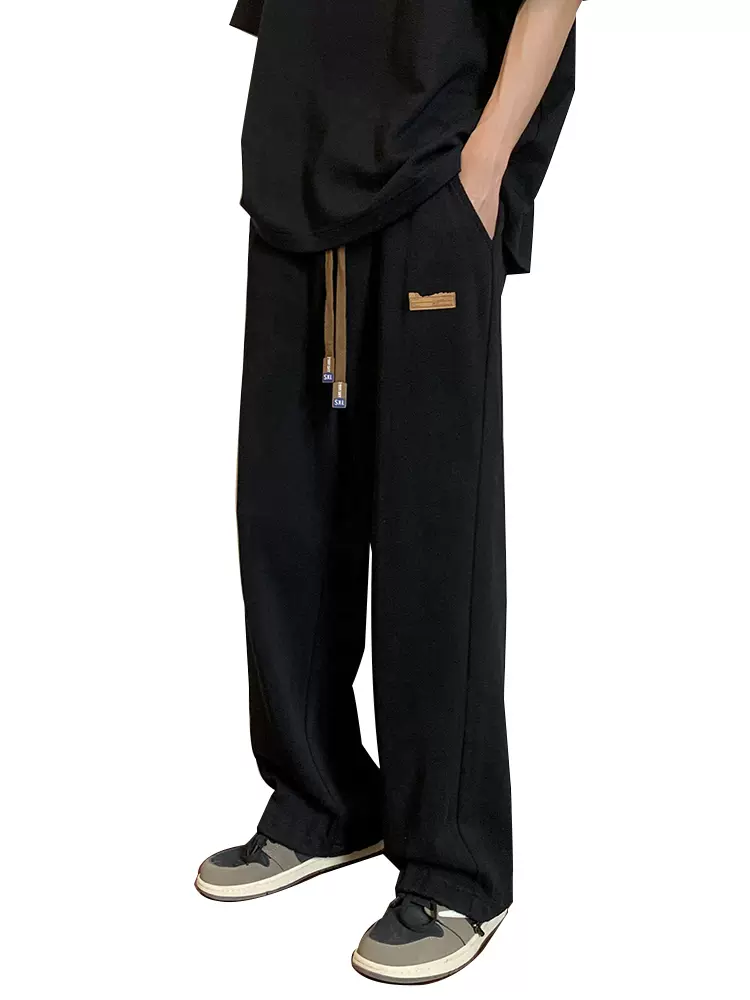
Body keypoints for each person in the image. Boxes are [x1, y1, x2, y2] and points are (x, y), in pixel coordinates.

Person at [195, 0, 583, 985]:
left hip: (431, 169)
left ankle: (457, 866)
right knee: (283, 516)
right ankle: (322, 799)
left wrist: (486, 166)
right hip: (297, 161)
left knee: (432, 535)